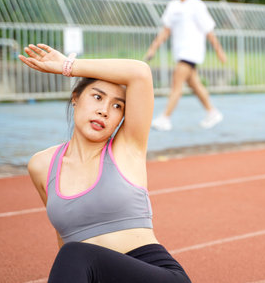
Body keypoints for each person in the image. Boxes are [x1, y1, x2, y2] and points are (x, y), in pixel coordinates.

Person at [18, 44, 191, 283]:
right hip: (93, 274)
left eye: (117, 106)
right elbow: (64, 236)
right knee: (72, 252)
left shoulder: (127, 149)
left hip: (156, 274)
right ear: (75, 98)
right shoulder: (41, 165)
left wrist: (67, 67)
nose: (104, 111)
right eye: (97, 97)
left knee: (74, 254)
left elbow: (140, 73)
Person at [145, 0, 227, 131]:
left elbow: (209, 31)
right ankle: (213, 112)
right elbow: (165, 30)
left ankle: (165, 118)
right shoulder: (173, 6)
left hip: (191, 52)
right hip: (180, 52)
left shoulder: (197, 5)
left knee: (177, 83)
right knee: (194, 84)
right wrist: (153, 48)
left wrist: (219, 51)